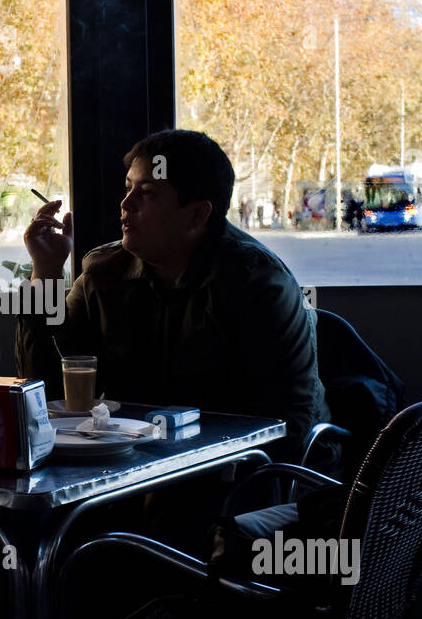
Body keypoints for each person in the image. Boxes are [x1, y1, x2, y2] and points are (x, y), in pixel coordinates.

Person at [17, 128, 328, 467]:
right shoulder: (104, 273)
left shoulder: (258, 284)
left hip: (235, 475)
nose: (125, 204)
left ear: (197, 214)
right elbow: (44, 389)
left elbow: (290, 424)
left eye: (147, 193)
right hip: (134, 468)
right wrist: (45, 273)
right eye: (128, 188)